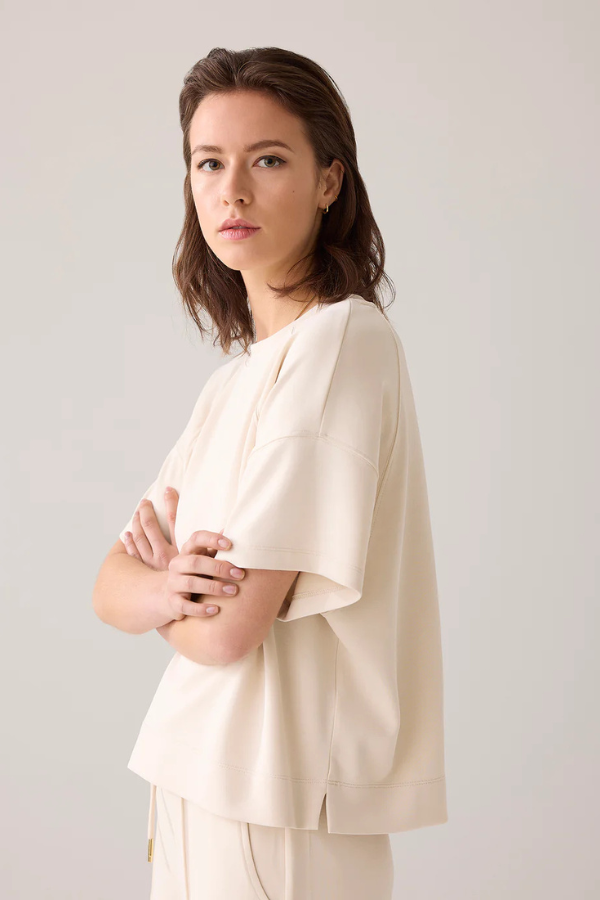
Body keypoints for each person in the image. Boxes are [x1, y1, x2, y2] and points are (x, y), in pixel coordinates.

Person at [92, 46, 448, 900]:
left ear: (330, 180)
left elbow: (227, 632)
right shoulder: (234, 382)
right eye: (209, 163)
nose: (233, 192)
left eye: (269, 160)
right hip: (197, 785)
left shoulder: (343, 343)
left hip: (272, 806)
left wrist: (162, 596)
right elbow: (108, 585)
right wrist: (171, 589)